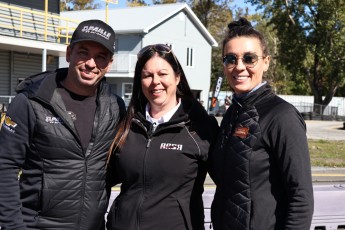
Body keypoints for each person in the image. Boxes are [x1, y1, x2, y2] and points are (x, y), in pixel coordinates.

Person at [0, 19, 126, 230]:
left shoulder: (115, 108)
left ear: (109, 64)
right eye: (83, 53)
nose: (91, 64)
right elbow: (4, 166)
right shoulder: (32, 102)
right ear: (69, 53)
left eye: (100, 57)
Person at [209, 18, 314, 230]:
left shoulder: (282, 116)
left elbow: (301, 197)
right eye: (231, 59)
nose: (239, 67)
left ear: (265, 62)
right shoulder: (232, 114)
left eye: (249, 58)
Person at [106, 44, 219, 229]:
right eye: (147, 75)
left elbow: (232, 184)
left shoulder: (201, 128)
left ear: (177, 77)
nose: (155, 81)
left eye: (162, 74)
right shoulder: (126, 125)